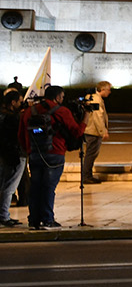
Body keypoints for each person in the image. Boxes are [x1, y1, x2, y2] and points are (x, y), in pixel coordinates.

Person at [20, 85, 83, 229]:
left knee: (35, 187)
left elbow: (21, 135)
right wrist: (85, 118)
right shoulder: (62, 111)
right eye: (62, 97)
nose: (62, 99)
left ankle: (34, 220)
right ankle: (47, 219)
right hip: (55, 153)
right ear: (57, 97)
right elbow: (77, 132)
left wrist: (29, 150)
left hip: (35, 154)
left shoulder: (29, 111)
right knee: (48, 187)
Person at [0, 89, 25, 226]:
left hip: (4, 154)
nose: (22, 104)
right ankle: (3, 215)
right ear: (13, 102)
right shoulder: (12, 118)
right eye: (20, 102)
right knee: (9, 187)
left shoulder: (2, 115)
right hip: (14, 155)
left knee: (3, 185)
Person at [80, 80, 111, 184]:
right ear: (102, 89)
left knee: (90, 153)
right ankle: (86, 176)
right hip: (93, 131)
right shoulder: (96, 100)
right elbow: (98, 117)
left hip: (89, 130)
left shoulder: (90, 97)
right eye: (108, 90)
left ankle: (87, 175)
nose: (109, 92)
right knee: (91, 154)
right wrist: (103, 131)